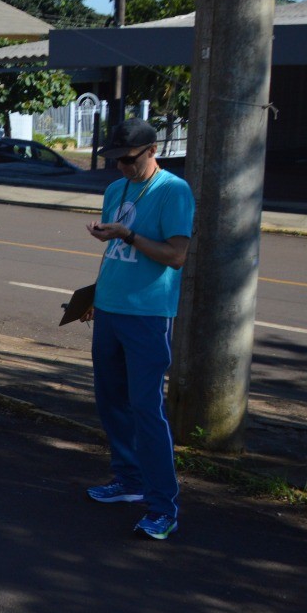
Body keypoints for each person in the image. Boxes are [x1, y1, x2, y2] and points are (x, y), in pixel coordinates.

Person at [83, 118, 194, 542]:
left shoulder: (173, 191)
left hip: (148, 314)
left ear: (152, 151)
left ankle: (163, 507)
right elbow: (116, 251)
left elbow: (176, 256)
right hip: (110, 308)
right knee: (111, 402)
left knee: (147, 409)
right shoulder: (116, 190)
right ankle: (128, 482)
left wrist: (128, 234)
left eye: (129, 160)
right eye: (116, 161)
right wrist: (95, 295)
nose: (123, 168)